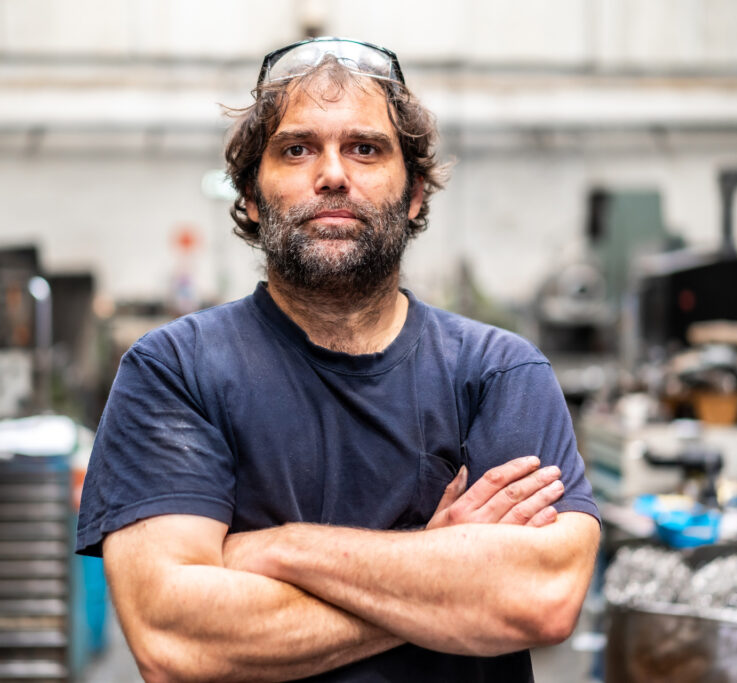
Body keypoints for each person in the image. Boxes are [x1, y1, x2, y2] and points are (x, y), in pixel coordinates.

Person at [76, 37, 600, 682]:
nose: (332, 174)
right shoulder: (174, 371)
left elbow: (540, 600)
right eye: (297, 149)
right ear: (250, 198)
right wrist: (440, 571)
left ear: (413, 196)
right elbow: (174, 638)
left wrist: (277, 549)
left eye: (366, 148)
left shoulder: (500, 375)